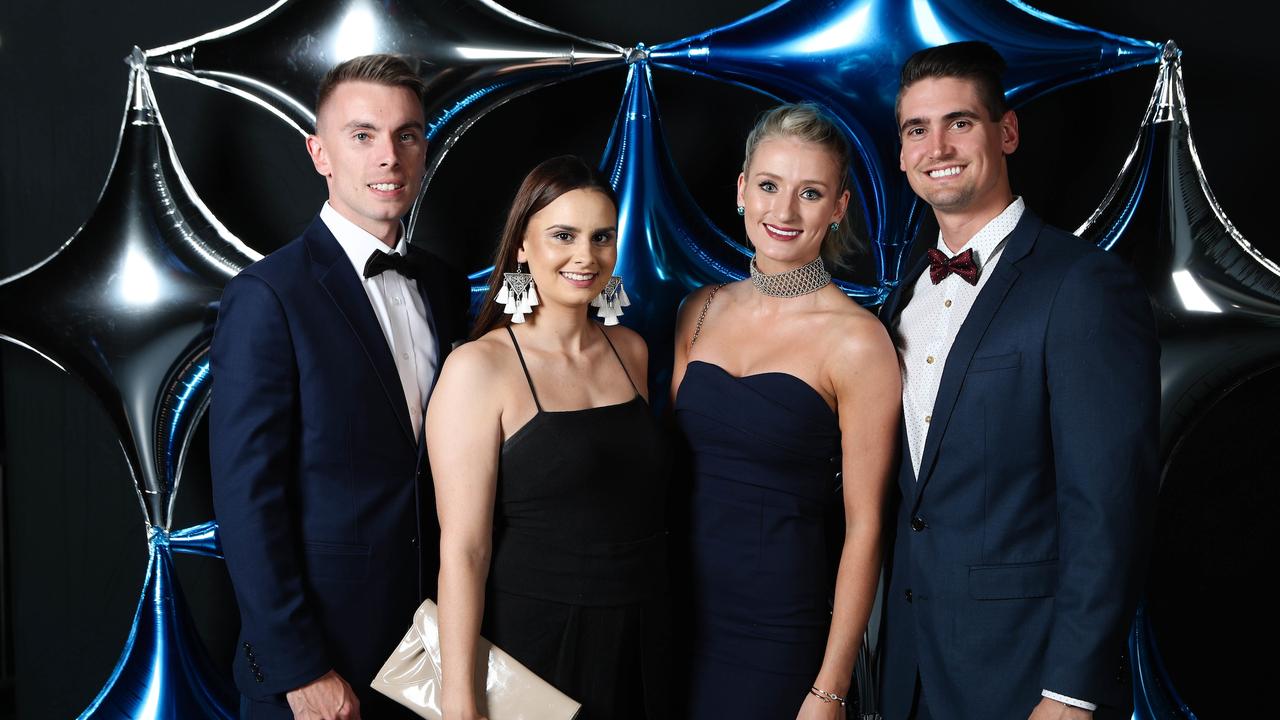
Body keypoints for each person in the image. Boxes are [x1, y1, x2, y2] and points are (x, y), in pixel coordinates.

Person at [878, 41, 1160, 720]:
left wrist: (1071, 691)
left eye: (960, 122)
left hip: (1028, 679)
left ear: (1005, 132)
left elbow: (1109, 507)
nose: (937, 145)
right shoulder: (900, 299)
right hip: (912, 673)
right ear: (901, 152)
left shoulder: (1084, 285)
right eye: (917, 129)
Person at [210, 54, 470, 719]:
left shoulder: (440, 287)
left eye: (407, 134)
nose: (389, 156)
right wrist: (303, 671)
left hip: (430, 661)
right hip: (320, 674)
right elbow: (247, 504)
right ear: (320, 154)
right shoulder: (267, 297)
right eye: (362, 135)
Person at [671, 103, 901, 718]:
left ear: (838, 208)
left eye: (810, 193)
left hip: (778, 636)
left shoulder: (859, 340)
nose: (784, 211)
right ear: (743, 189)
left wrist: (831, 687)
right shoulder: (699, 310)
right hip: (671, 618)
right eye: (769, 186)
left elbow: (866, 527)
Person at [428, 155, 669, 720]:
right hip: (535, 645)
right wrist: (459, 695)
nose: (586, 257)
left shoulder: (630, 350)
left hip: (642, 633)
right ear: (522, 247)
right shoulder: (478, 368)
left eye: (601, 237)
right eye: (563, 235)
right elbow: (464, 550)